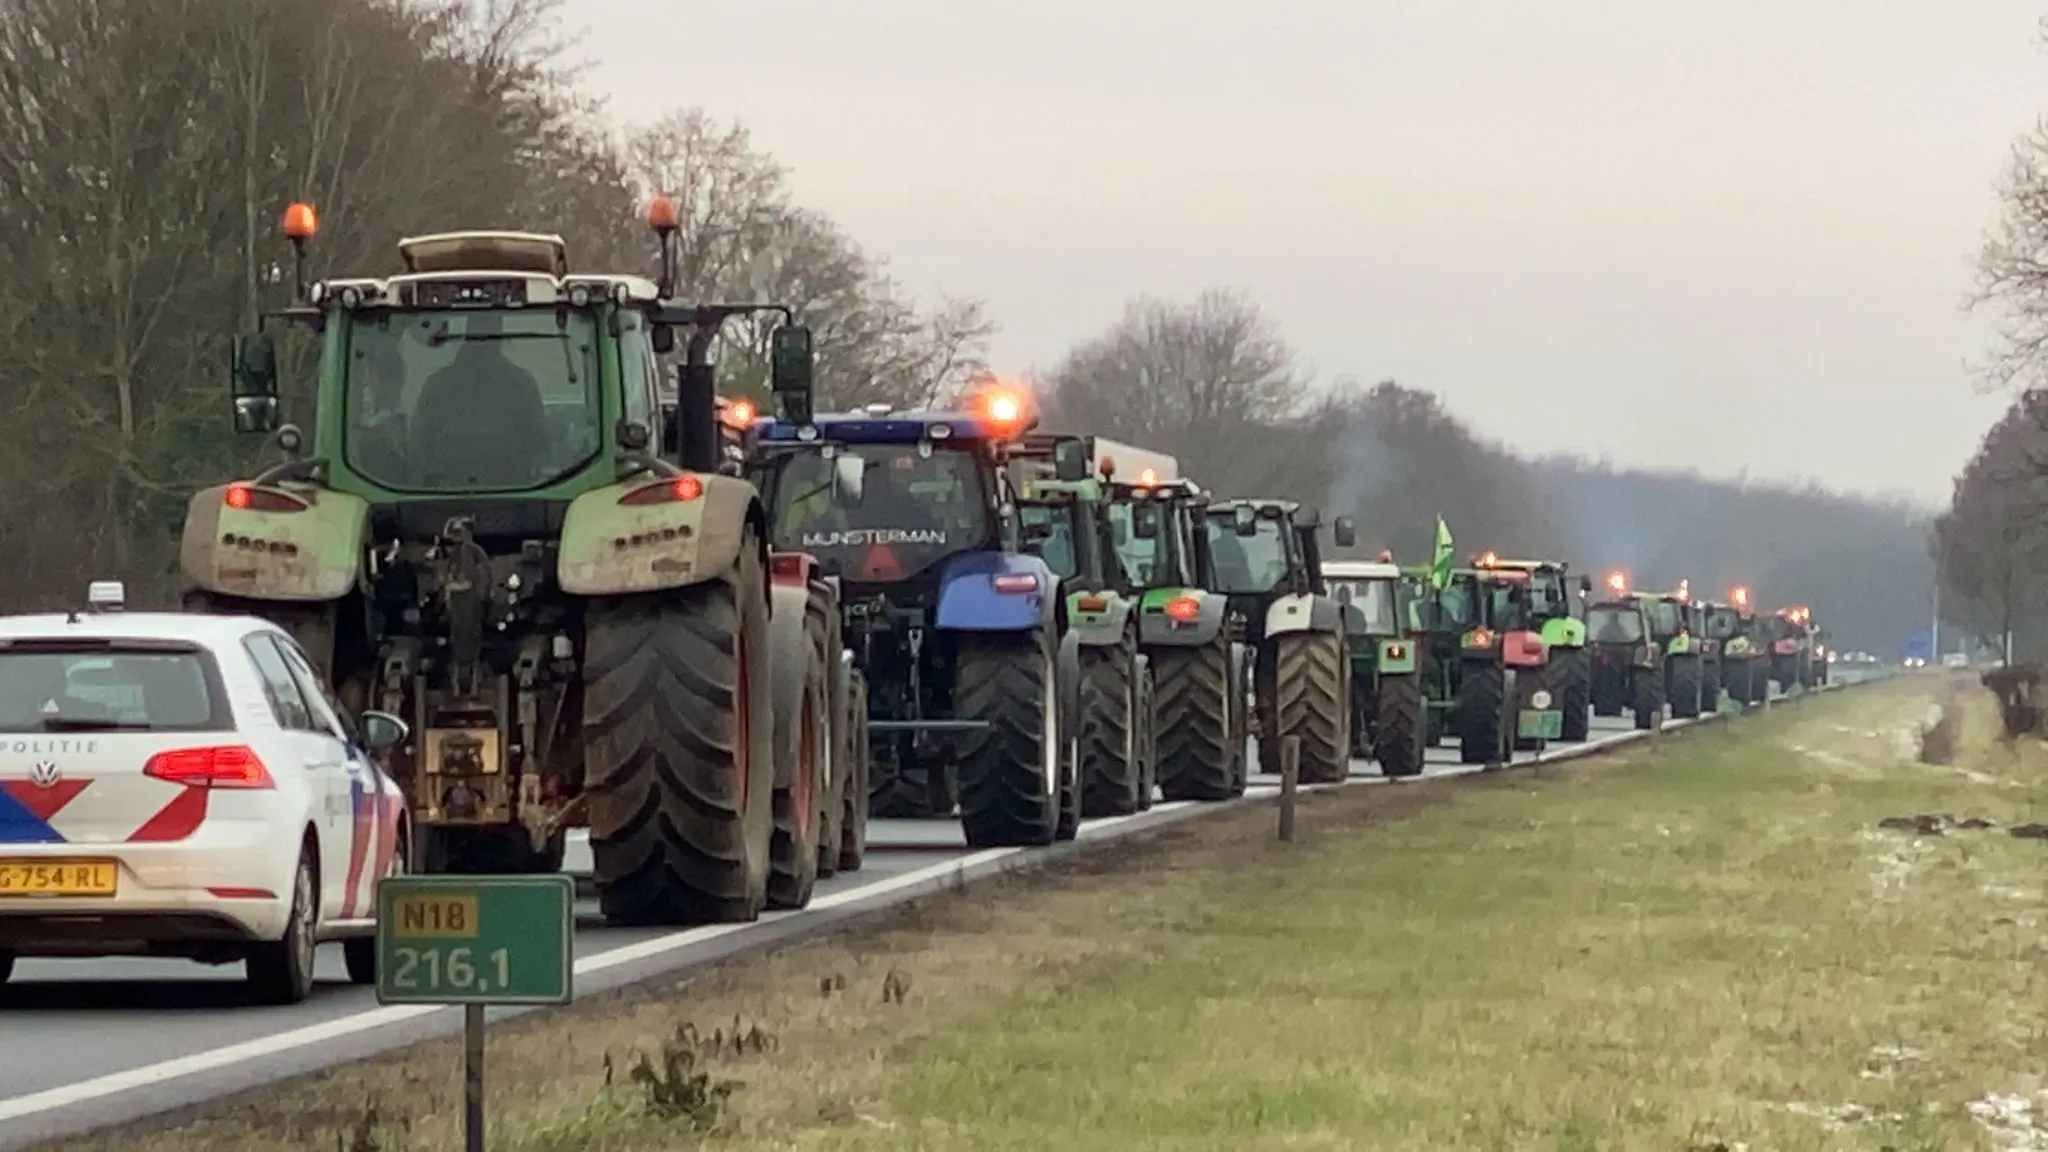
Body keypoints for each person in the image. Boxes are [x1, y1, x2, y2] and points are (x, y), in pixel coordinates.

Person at [410, 312, 550, 488]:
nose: (484, 342)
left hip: (453, 493)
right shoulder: (522, 384)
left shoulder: (437, 384)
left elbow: (419, 444)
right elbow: (539, 443)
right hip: (507, 493)